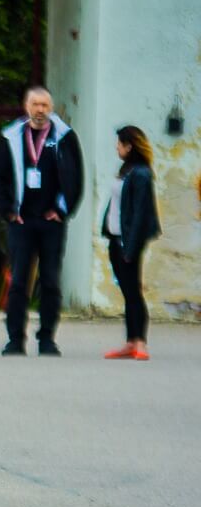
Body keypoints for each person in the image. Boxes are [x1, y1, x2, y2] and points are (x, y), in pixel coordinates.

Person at [0, 86, 84, 356]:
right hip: (21, 221)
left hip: (51, 222)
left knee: (50, 281)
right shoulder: (11, 137)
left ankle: (47, 339)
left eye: (44, 105)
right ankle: (15, 340)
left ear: (51, 108)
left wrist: (62, 210)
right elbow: (0, 178)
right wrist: (8, 210)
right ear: (26, 106)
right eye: (35, 104)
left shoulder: (64, 138)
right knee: (19, 281)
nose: (40, 110)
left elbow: (75, 177)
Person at [102, 125, 161, 360]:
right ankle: (130, 341)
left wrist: (131, 246)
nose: (116, 147)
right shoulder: (126, 170)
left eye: (119, 143)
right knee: (128, 291)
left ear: (129, 146)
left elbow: (139, 214)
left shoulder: (142, 174)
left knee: (133, 291)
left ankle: (140, 342)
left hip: (128, 241)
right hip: (116, 238)